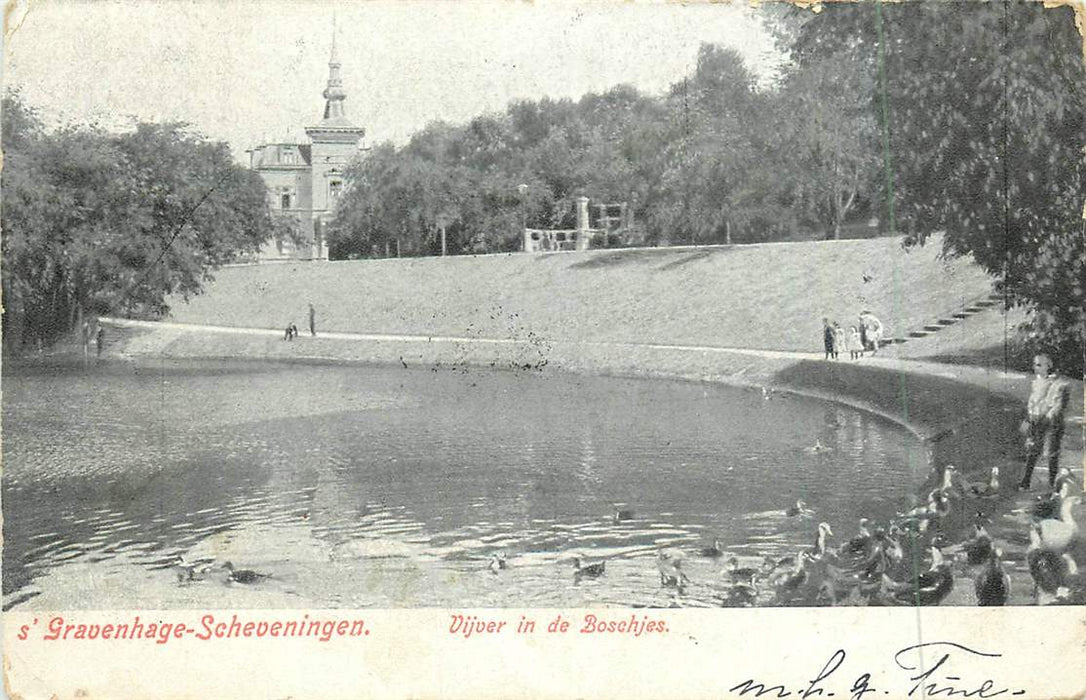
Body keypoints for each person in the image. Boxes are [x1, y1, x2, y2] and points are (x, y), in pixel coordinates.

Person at [1018, 354, 1070, 490]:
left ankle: (1053, 484)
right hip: (1037, 420)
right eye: (1035, 364)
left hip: (1052, 422)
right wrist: (1028, 419)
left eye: (1040, 365)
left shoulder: (1059, 384)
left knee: (1051, 452)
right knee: (1033, 449)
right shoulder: (1036, 382)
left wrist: (1046, 417)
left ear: (1049, 366)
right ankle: (1026, 480)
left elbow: (1057, 406)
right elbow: (1032, 403)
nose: (1036, 367)